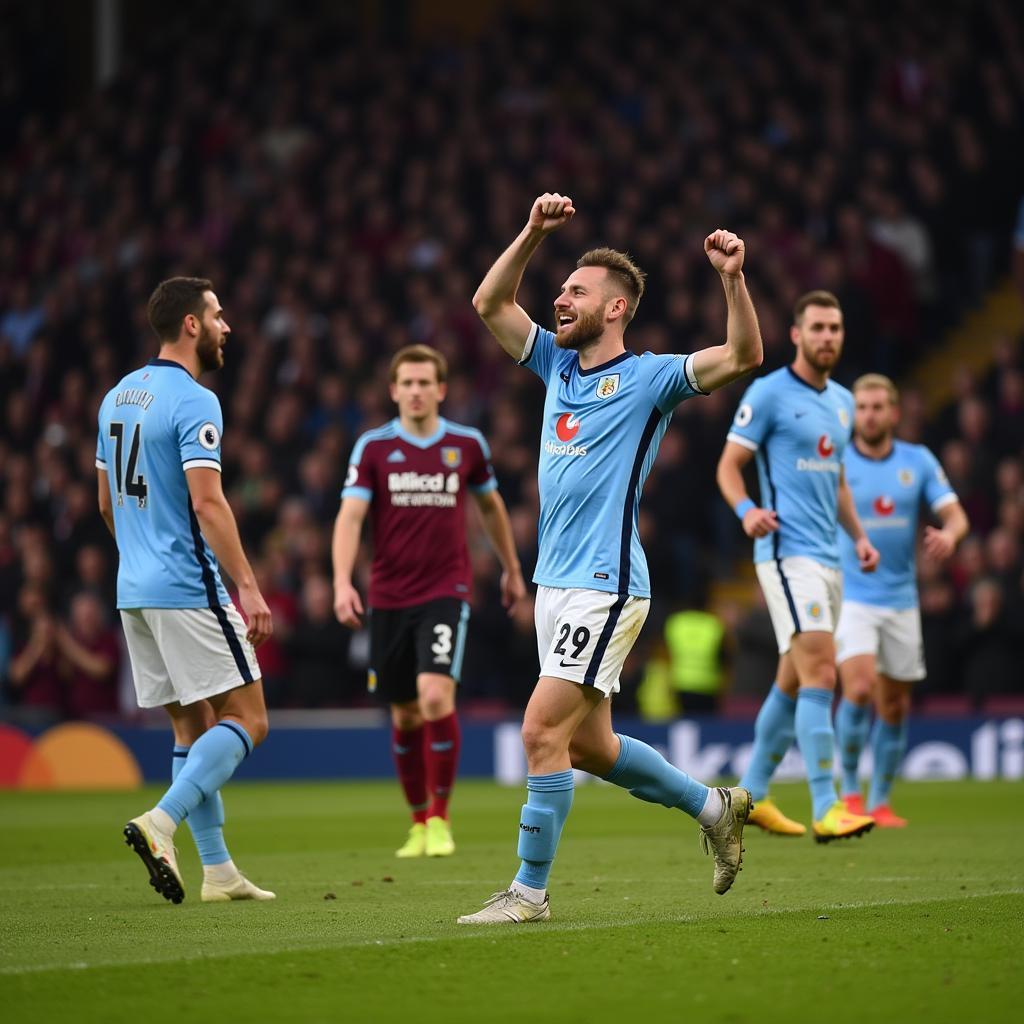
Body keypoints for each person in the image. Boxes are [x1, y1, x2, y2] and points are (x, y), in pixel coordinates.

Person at [458, 192, 763, 925]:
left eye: (576, 291)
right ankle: (712, 806)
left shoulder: (651, 378)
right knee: (590, 747)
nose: (559, 298)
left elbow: (745, 355)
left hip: (607, 582)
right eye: (560, 290)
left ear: (617, 309)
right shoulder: (556, 369)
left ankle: (529, 893)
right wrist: (530, 230)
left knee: (539, 732)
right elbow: (488, 302)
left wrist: (731, 280)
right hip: (555, 584)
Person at [96, 277, 275, 904]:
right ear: (192, 325)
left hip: (133, 589)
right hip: (185, 584)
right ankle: (160, 822)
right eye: (218, 315)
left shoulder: (116, 398)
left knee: (190, 728)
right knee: (248, 719)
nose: (227, 326)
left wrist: (141, 557)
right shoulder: (195, 399)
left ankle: (219, 872)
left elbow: (105, 503)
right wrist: (247, 588)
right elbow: (208, 501)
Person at [333, 344, 526, 858]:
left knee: (436, 697)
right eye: (407, 383)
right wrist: (341, 582)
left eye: (425, 383)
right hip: (388, 597)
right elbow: (350, 518)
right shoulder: (372, 448)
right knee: (405, 717)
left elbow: (492, 507)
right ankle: (418, 821)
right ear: (393, 390)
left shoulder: (465, 445)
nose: (416, 392)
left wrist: (510, 568)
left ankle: (441, 819)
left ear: (441, 390)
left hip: (446, 591)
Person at [717, 290, 881, 842]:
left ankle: (752, 795)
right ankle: (827, 805)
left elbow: (835, 479)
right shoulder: (768, 394)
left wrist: (858, 537)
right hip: (788, 556)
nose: (827, 336)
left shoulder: (842, 403)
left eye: (835, 328)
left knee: (792, 682)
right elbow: (729, 467)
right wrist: (746, 511)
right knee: (822, 671)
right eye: (817, 328)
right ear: (796, 334)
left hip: (831, 559)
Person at [834, 374, 968, 825]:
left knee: (894, 705)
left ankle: (881, 801)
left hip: (901, 599)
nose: (869, 415)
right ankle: (850, 795)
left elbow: (955, 515)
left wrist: (949, 535)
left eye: (878, 407)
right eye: (863, 407)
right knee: (858, 688)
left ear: (893, 412)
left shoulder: (918, 461)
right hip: (851, 594)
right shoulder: (837, 461)